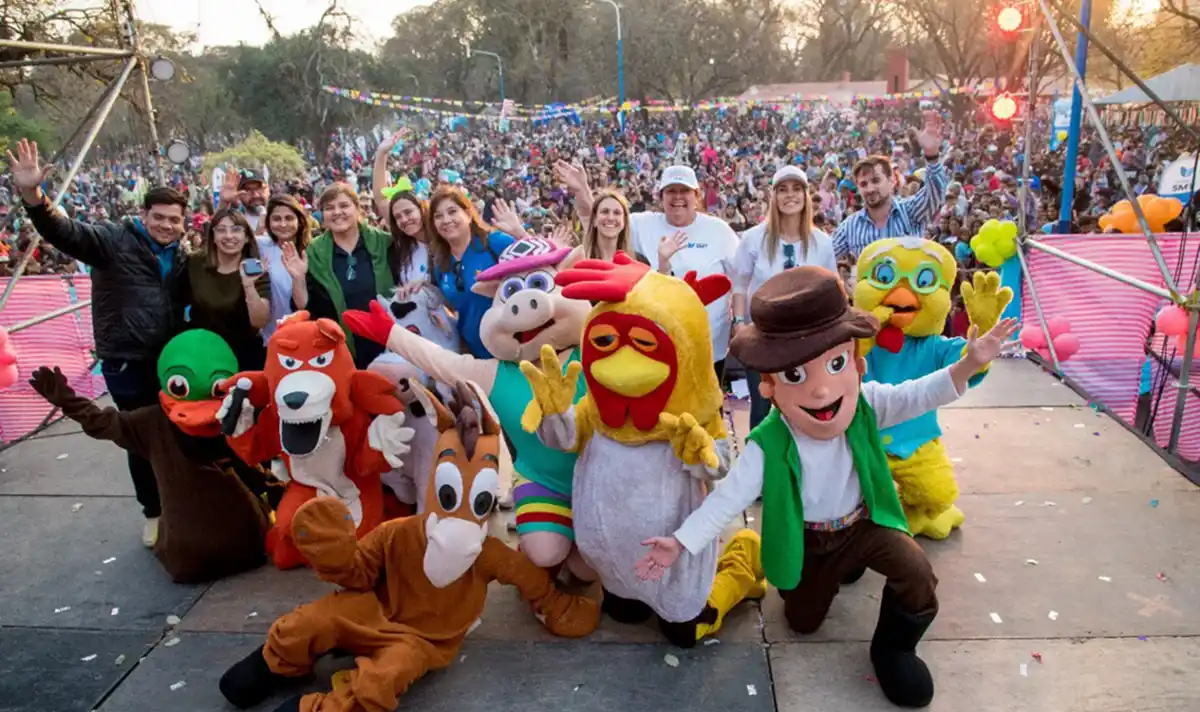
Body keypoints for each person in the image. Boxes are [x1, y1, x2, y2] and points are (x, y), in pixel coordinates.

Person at [636, 266, 1018, 706]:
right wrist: (681, 542)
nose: (820, 391)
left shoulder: (866, 403)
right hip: (809, 540)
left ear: (855, 364)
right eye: (796, 376)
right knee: (802, 621)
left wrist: (970, 362)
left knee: (915, 570)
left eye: (835, 365)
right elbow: (729, 497)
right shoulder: (769, 442)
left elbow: (919, 394)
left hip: (863, 524)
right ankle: (825, 574)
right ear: (771, 387)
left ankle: (893, 647)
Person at [7, 138, 187, 547]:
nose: (166, 225)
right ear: (144, 215)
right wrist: (33, 195)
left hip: (170, 360)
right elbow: (63, 232)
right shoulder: (112, 240)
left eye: (174, 220)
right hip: (127, 361)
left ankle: (178, 502)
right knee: (139, 437)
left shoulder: (179, 255)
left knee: (176, 433)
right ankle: (153, 512)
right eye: (158, 217)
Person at [731, 165, 837, 430]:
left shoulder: (821, 242)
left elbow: (832, 287)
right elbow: (740, 284)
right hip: (763, 335)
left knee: (804, 404)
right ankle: (761, 467)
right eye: (783, 190)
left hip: (808, 338)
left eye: (796, 189)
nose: (790, 196)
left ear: (805, 195)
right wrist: (740, 323)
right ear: (774, 197)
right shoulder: (754, 238)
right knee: (763, 407)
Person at [291, 182, 395, 369]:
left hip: (390, 347)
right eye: (329, 208)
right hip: (339, 351)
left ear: (357, 209)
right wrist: (298, 279)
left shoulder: (385, 243)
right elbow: (304, 306)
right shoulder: (314, 253)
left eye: (344, 205)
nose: (337, 212)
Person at [832, 112, 950, 260]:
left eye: (876, 180)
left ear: (891, 181)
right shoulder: (850, 226)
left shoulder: (910, 212)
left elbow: (936, 194)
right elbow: (825, 258)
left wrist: (931, 155)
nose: (870, 188)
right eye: (863, 184)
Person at [423, 186, 514, 358]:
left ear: (469, 214)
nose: (446, 220)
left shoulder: (495, 243)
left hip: (514, 350)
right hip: (476, 356)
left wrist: (520, 233)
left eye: (452, 212)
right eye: (438, 216)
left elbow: (536, 267)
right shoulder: (439, 262)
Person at [179, 208, 272, 370]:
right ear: (213, 237)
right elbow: (177, 301)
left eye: (236, 230)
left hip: (244, 358)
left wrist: (248, 285)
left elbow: (259, 321)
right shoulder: (194, 263)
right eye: (221, 230)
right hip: (201, 355)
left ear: (247, 238)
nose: (229, 236)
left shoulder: (255, 269)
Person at [256, 195, 312, 339]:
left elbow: (304, 305)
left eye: (289, 218)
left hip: (305, 336)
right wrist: (224, 202)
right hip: (271, 337)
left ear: (299, 221)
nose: (282, 224)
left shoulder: (312, 251)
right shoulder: (260, 246)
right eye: (276, 219)